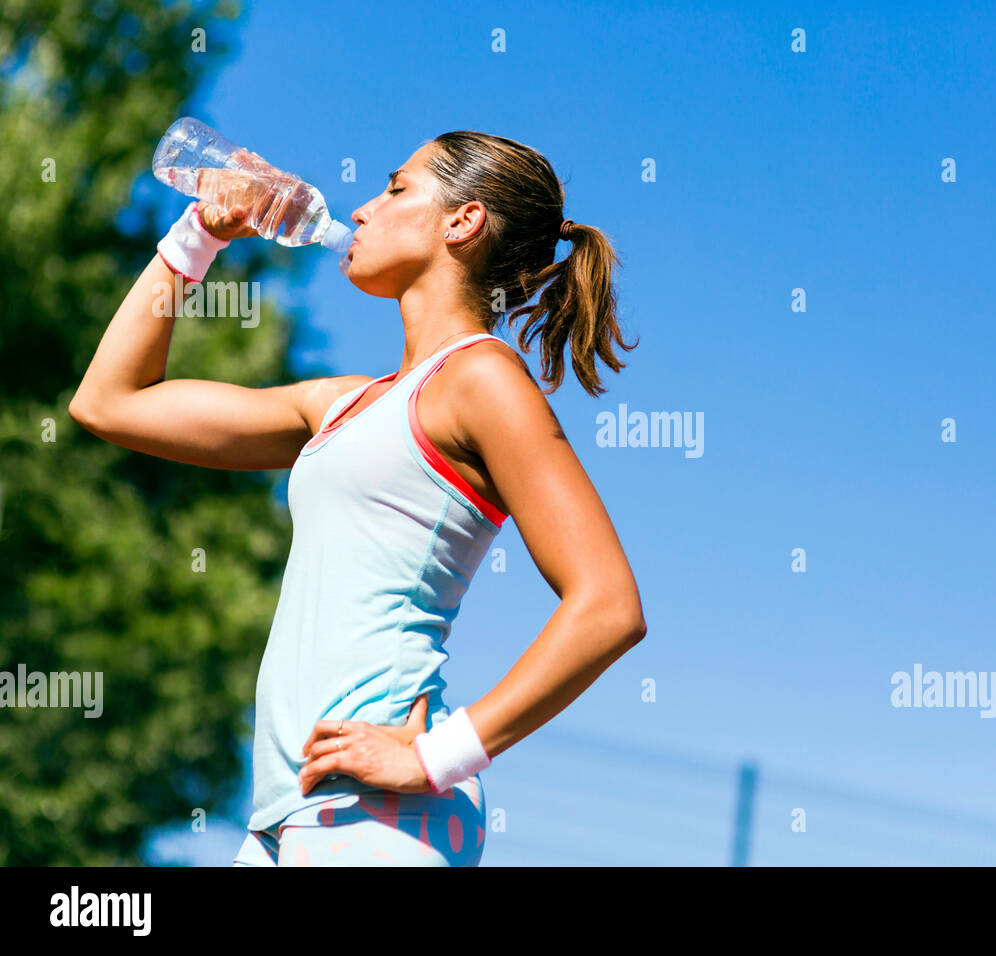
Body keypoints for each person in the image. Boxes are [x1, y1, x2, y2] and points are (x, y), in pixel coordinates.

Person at [69, 131, 647, 866]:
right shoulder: (340, 403)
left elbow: (608, 606)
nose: (365, 210)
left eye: (397, 189)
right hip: (282, 817)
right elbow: (110, 403)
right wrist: (197, 239)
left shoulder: (481, 379)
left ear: (461, 222)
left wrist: (439, 757)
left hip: (381, 817)